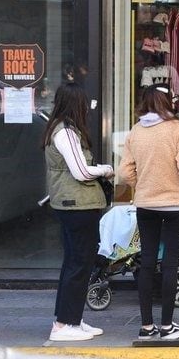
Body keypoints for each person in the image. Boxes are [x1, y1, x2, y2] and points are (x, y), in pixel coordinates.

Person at [118, 84, 179, 340]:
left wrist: (140, 185)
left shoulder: (136, 131)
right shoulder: (178, 129)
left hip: (146, 204)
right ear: (168, 102)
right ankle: (167, 326)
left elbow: (124, 172)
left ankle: (146, 327)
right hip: (176, 204)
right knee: (170, 263)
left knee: (148, 262)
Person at [43, 83, 113, 342]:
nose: (87, 108)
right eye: (84, 103)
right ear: (75, 104)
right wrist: (105, 169)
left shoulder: (58, 129)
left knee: (75, 263)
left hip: (72, 205)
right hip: (77, 206)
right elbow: (81, 171)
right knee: (78, 264)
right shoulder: (66, 133)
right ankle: (63, 325)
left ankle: (71, 319)